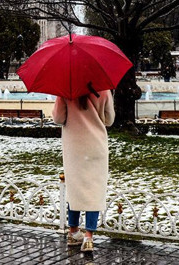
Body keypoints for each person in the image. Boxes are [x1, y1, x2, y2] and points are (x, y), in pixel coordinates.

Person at [52, 83, 114, 254]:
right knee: (94, 189)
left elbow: (58, 118)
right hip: (96, 145)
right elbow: (109, 120)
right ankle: (88, 236)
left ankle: (73, 233)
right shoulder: (103, 89)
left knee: (75, 188)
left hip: (74, 147)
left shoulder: (65, 90)